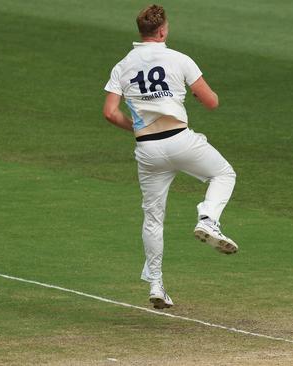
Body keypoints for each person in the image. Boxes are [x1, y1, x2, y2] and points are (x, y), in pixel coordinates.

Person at [102, 4, 238, 310]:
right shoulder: (180, 59)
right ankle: (208, 219)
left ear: (142, 31)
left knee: (153, 217)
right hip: (180, 141)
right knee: (224, 174)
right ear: (162, 30)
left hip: (148, 150)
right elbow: (212, 102)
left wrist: (137, 127)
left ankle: (156, 285)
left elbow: (110, 113)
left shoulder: (122, 65)